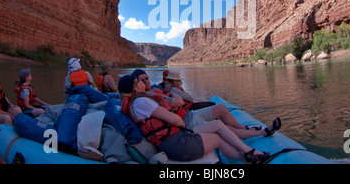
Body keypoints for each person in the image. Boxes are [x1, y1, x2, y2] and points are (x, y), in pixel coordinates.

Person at [118, 74, 270, 163]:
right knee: (218, 139)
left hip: (175, 136)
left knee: (217, 124)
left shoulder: (136, 102)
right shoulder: (141, 102)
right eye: (138, 81)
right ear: (135, 88)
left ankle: (248, 151)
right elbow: (175, 120)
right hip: (176, 143)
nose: (141, 82)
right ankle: (248, 158)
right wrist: (179, 121)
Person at [136, 69, 282, 139]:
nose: (146, 82)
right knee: (221, 117)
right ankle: (258, 132)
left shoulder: (155, 91)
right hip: (186, 119)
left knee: (223, 124)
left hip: (186, 116)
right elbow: (186, 101)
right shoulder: (168, 90)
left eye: (147, 78)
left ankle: (257, 131)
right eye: (142, 81)